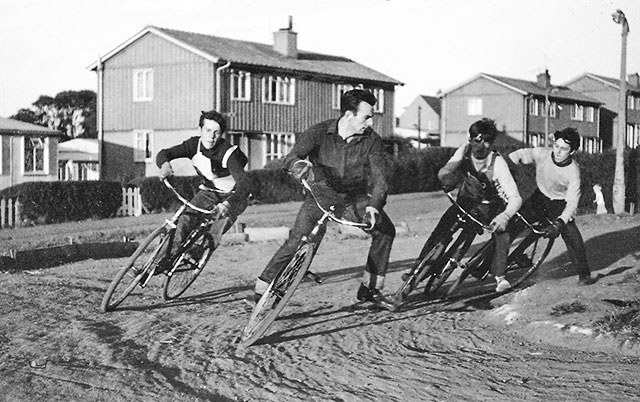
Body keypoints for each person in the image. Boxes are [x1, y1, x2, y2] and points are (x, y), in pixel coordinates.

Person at [249, 89, 396, 310]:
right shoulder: (318, 132)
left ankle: (370, 289)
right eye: (366, 116)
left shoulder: (372, 141)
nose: (370, 121)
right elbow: (291, 158)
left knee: (385, 231)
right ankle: (261, 291)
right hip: (320, 195)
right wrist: (299, 166)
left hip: (353, 199)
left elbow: (380, 179)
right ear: (348, 115)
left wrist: (374, 206)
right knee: (299, 239)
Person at [407, 118, 522, 292]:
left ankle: (500, 277)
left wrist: (504, 216)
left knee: (502, 234)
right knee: (443, 226)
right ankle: (418, 266)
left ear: (490, 144)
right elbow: (446, 169)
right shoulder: (464, 150)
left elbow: (515, 198)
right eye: (474, 140)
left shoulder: (498, 164)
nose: (478, 146)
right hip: (465, 201)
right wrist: (447, 178)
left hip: (488, 207)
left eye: (484, 142)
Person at [155, 110, 252, 270]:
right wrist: (165, 165)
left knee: (213, 232)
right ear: (200, 130)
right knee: (185, 220)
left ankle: (194, 256)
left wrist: (227, 204)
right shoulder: (193, 145)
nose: (211, 136)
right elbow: (165, 153)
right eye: (207, 130)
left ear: (221, 134)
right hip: (208, 192)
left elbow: (244, 184)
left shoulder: (228, 153)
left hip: (233, 197)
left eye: (216, 132)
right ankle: (158, 263)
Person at [507, 127, 596, 286]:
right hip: (539, 197)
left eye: (564, 149)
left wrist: (559, 223)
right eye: (556, 146)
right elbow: (520, 155)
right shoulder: (543, 153)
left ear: (573, 151)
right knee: (512, 224)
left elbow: (572, 203)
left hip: (559, 204)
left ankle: (584, 275)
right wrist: (506, 166)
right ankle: (502, 260)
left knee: (572, 236)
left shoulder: (573, 171)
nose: (558, 151)